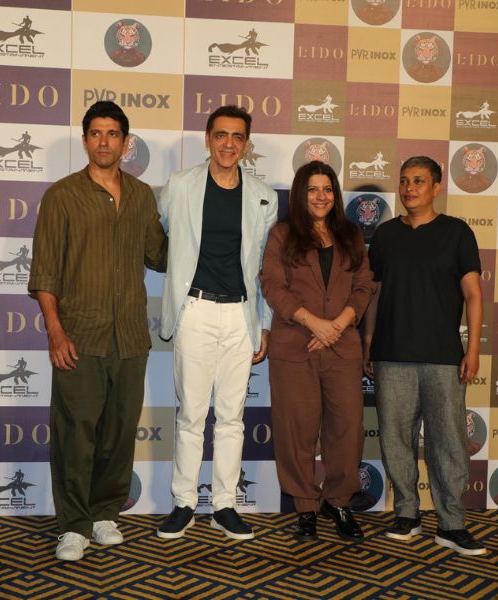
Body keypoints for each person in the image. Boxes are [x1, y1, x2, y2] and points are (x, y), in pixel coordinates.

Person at [28, 100, 167, 561]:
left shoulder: (142, 196)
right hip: (79, 337)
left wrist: (206, 235)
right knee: (75, 434)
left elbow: (160, 256)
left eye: (113, 134)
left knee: (118, 433)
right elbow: (45, 272)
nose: (104, 141)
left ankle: (105, 513)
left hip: (130, 337)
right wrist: (55, 331)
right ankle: (73, 525)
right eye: (96, 133)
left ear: (126, 143)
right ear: (85, 139)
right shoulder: (62, 195)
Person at [156, 105, 278, 540]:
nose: (229, 143)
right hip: (196, 310)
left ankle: (225, 504)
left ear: (247, 144)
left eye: (237, 136)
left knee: (231, 417)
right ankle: (184, 502)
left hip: (240, 315)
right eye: (221, 135)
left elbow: (264, 267)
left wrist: (264, 324)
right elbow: (161, 236)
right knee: (191, 415)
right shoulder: (179, 185)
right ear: (208, 139)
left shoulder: (264, 196)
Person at [363, 156, 486, 556]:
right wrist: (369, 343)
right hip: (391, 354)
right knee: (395, 438)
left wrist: (473, 348)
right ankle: (406, 513)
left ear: (436, 186)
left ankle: (451, 523)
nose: (409, 188)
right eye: (404, 181)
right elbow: (375, 295)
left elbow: (473, 295)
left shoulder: (457, 233)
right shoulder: (384, 236)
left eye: (418, 181)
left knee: (448, 441)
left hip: (442, 356)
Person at [260, 161, 374, 542]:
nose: (320, 196)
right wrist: (313, 323)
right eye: (312, 189)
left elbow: (363, 286)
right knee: (296, 430)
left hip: (342, 347)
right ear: (300, 194)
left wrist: (337, 325)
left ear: (335, 195)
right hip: (295, 346)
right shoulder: (282, 234)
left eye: (327, 189)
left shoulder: (350, 235)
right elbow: (272, 286)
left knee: (347, 429)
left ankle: (338, 502)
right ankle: (306, 506)